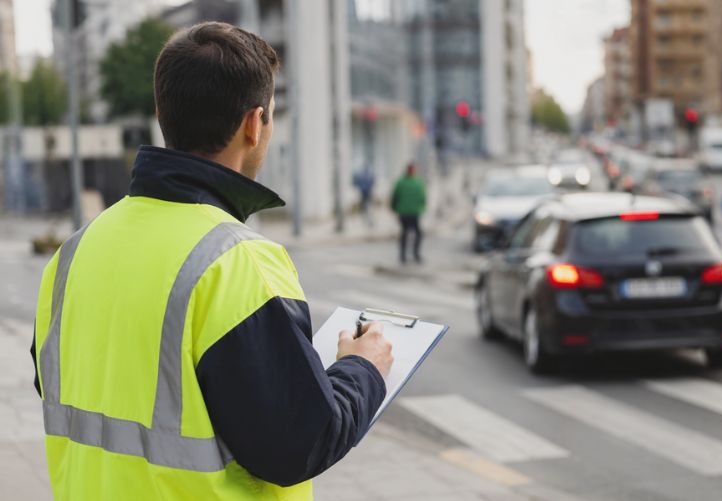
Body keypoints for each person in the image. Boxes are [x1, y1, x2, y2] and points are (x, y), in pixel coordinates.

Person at [29, 22, 393, 500]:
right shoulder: (236, 262)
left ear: (164, 113)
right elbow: (298, 443)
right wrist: (363, 370)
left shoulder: (74, 253)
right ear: (253, 123)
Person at [391, 163, 427, 264]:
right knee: (414, 233)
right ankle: (413, 254)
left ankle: (406, 255)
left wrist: (394, 208)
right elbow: (423, 198)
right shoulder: (417, 183)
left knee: (406, 233)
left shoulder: (403, 182)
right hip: (411, 212)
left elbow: (394, 197)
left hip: (407, 212)